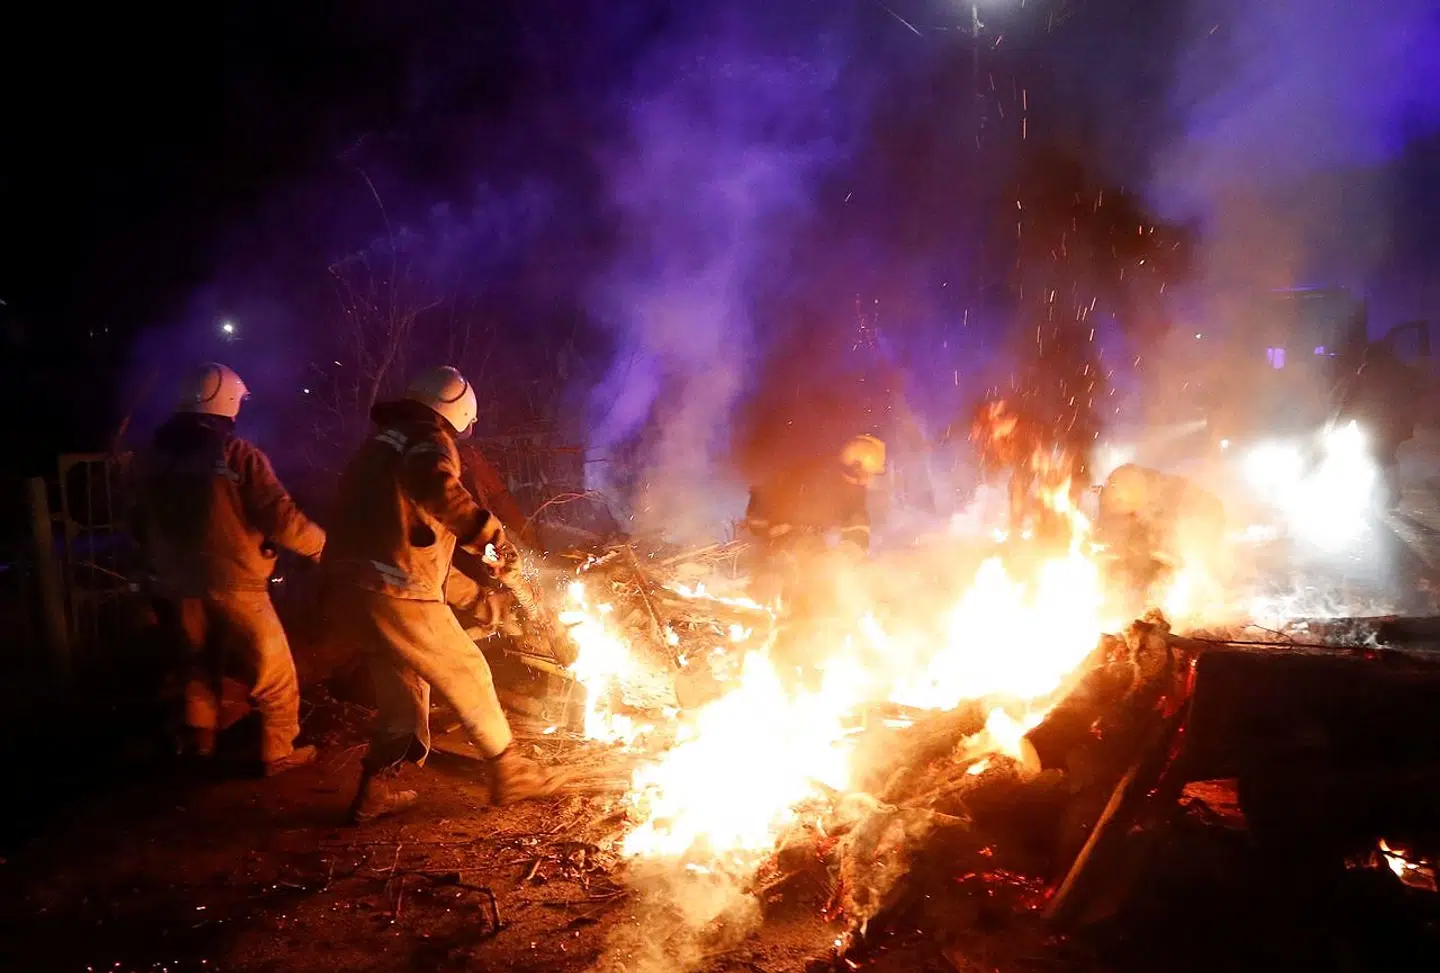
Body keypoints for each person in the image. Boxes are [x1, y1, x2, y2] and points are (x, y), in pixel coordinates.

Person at [324, 365, 566, 823]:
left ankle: (374, 790)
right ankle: (509, 770)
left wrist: (482, 601)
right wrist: (489, 536)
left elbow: (419, 555)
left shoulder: (378, 447)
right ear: (458, 415)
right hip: (391, 588)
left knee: (402, 692)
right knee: (468, 670)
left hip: (346, 588)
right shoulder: (429, 442)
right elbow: (435, 488)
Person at [131, 363, 325, 775]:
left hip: (174, 583)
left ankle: (199, 745)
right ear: (230, 403)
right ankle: (278, 752)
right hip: (234, 582)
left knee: (196, 665)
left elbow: (136, 519)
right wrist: (324, 548)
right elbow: (281, 516)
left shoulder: (153, 459)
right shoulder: (236, 454)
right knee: (275, 675)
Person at [743, 434, 886, 605]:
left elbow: (858, 524)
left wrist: (850, 552)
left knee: (827, 577)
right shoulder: (810, 475)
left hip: (810, 544)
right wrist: (774, 531)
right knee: (793, 586)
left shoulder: (854, 490)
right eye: (868, 473)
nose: (868, 480)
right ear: (855, 467)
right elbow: (761, 512)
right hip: (778, 546)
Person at [1333, 342, 1421, 510]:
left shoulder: (1366, 372)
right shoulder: (1400, 371)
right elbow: (1412, 396)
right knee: (1386, 456)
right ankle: (1390, 492)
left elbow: (1351, 401)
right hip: (1395, 425)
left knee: (1376, 457)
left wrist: (1340, 423)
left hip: (1373, 424)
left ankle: (1380, 493)